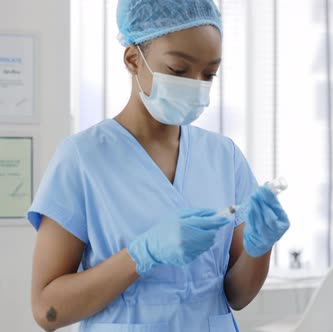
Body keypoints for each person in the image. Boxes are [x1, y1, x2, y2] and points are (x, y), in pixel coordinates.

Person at [28, 1, 289, 331]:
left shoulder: (224, 157)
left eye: (209, 74)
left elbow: (235, 296)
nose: (196, 84)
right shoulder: (82, 158)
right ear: (133, 60)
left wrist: (260, 249)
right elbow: (47, 311)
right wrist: (141, 254)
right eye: (179, 71)